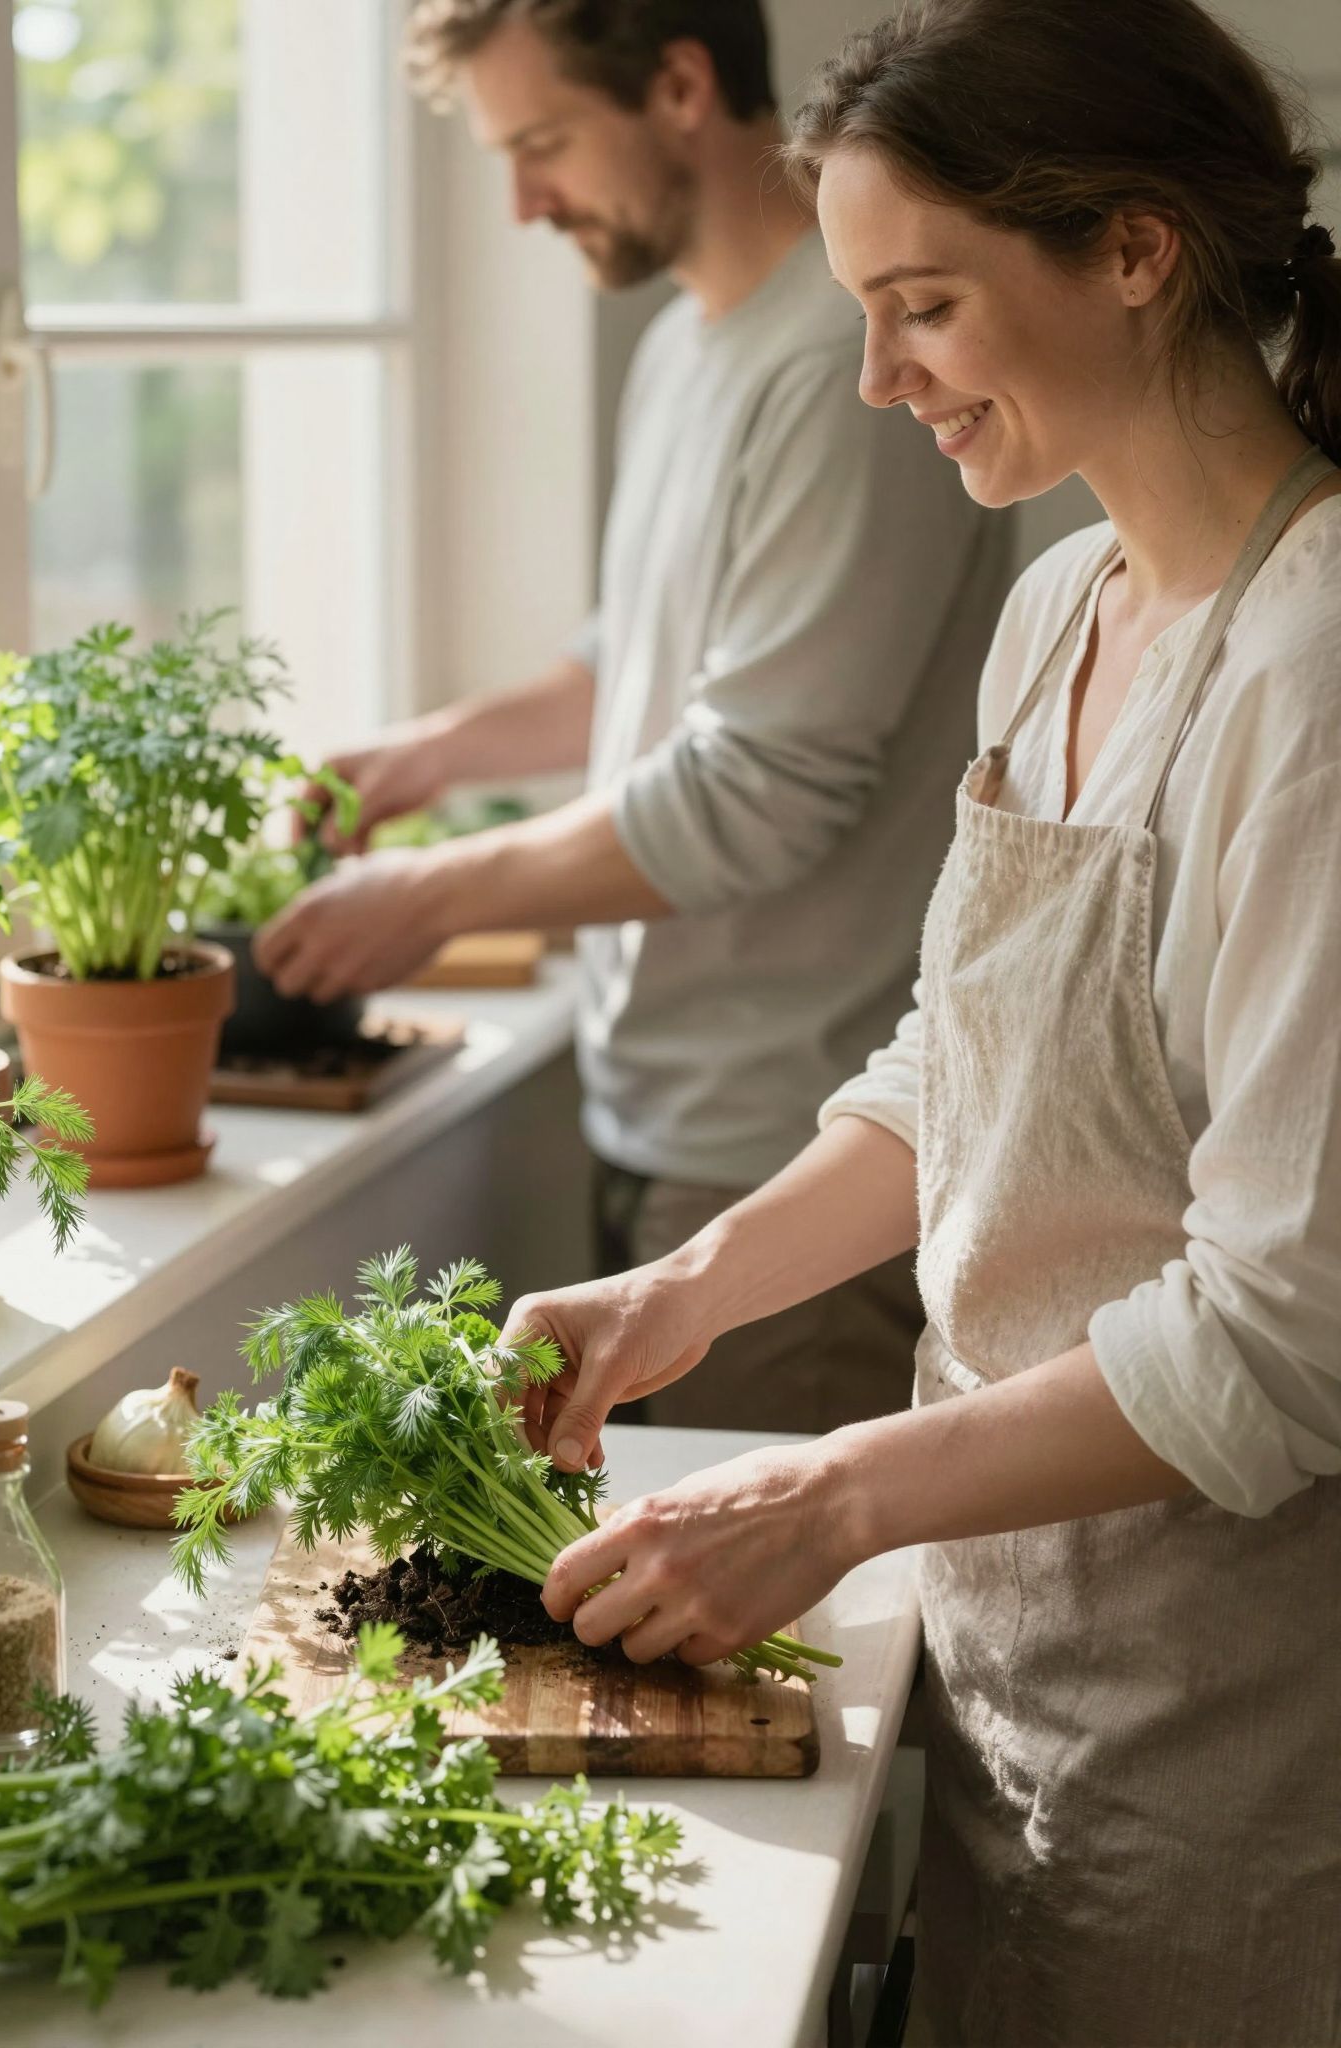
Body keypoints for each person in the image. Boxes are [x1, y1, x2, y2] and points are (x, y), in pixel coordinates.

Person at [499, 1, 1341, 2042]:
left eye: (927, 304)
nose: (879, 378)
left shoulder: (1312, 676)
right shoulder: (1063, 603)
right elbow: (958, 1069)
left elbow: (1286, 1329)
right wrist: (690, 1283)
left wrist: (836, 1490)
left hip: (1231, 1729)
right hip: (1010, 1655)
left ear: (1138, 252)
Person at [255, 0, 1013, 1435]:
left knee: (769, 1645)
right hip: (671, 1125)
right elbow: (639, 665)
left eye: (541, 143)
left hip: (792, 1159)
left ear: (679, 86)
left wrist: (437, 889)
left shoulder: (837, 372)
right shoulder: (688, 348)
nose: (524, 202)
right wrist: (430, 758)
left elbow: (762, 782)